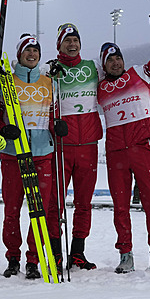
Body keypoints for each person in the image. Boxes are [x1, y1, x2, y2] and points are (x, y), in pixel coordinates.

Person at [96, 30, 150, 274]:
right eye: (110, 59)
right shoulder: (99, 88)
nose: (115, 62)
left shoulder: (139, 74)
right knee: (120, 206)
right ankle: (125, 255)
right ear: (104, 65)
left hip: (141, 148)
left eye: (118, 58)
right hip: (115, 153)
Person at [47, 23, 104, 271]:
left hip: (89, 145)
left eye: (75, 41)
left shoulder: (93, 68)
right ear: (59, 45)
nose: (72, 44)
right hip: (62, 145)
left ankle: (78, 253)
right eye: (67, 41)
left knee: (84, 203)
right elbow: (42, 105)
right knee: (54, 203)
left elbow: (118, 79)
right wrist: (52, 124)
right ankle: (56, 253)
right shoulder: (51, 72)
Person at [0, 34, 55, 280]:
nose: (31, 54)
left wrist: (58, 127)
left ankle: (34, 258)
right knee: (12, 210)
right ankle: (13, 257)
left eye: (35, 50)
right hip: (13, 154)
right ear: (19, 54)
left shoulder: (48, 82)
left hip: (42, 153)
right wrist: (3, 129)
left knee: (39, 210)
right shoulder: (7, 81)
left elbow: (54, 113)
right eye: (27, 50)